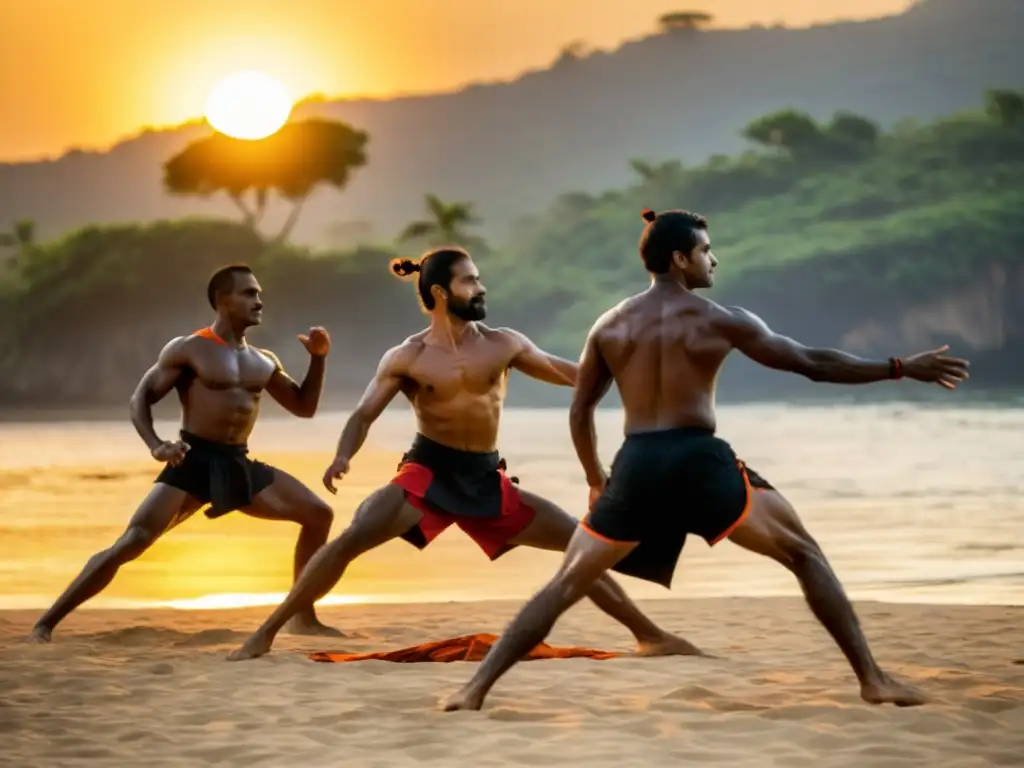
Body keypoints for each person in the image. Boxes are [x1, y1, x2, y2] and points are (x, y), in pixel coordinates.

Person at [443, 209, 971, 711]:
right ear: (679, 259)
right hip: (697, 457)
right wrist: (901, 367)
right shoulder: (720, 319)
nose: (713, 261)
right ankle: (873, 681)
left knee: (565, 584)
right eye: (705, 250)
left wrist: (596, 479)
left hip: (638, 463)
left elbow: (581, 410)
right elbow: (812, 364)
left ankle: (474, 688)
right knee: (804, 554)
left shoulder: (609, 325)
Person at [227, 246, 699, 661]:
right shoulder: (407, 356)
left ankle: (651, 636)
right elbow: (363, 414)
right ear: (438, 293)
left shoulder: (503, 343)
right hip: (428, 473)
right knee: (352, 538)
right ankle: (268, 630)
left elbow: (570, 373)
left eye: (478, 278)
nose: (481, 287)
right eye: (469, 280)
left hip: (484, 478)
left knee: (583, 547)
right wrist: (343, 455)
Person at [26, 264, 341, 643]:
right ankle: (45, 624)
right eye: (249, 293)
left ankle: (302, 617)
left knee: (319, 514)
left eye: (258, 293)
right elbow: (140, 397)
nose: (259, 300)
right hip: (193, 460)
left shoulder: (265, 360)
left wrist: (319, 359)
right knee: (134, 541)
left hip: (237, 461)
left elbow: (304, 407)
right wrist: (156, 444)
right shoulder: (189, 348)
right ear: (224, 301)